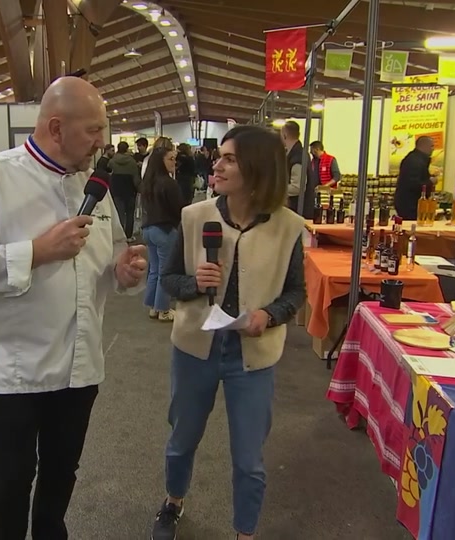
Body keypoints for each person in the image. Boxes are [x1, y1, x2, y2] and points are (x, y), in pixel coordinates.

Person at [0, 76, 148, 540]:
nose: (103, 141)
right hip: (16, 368)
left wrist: (124, 271)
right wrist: (36, 251)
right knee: (12, 479)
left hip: (79, 365)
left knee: (61, 473)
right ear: (56, 127)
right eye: (93, 130)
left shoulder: (97, 187)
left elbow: (108, 259)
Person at [149, 125, 306, 540]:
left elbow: (296, 292)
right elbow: (169, 279)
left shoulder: (288, 227)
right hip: (195, 345)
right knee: (182, 437)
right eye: (219, 156)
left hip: (252, 354)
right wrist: (194, 283)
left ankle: (245, 532)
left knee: (249, 457)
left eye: (229, 158)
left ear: (257, 168)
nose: (216, 165)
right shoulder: (194, 216)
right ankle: (173, 502)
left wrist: (269, 315)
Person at [140, 145, 184, 322]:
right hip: (165, 230)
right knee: (165, 272)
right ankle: (163, 309)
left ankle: (153, 306)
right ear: (161, 162)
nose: (174, 162)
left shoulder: (147, 182)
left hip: (148, 229)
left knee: (155, 271)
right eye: (171, 159)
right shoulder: (169, 183)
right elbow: (179, 208)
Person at [394, 136, 435, 220]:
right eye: (432, 146)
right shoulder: (414, 161)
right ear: (424, 146)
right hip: (410, 205)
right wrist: (430, 182)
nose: (433, 149)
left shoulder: (415, 159)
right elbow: (413, 184)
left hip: (410, 203)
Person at [109, 141, 141, 240]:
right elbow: (135, 178)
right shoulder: (132, 162)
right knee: (130, 214)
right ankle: (128, 235)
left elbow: (109, 173)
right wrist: (139, 188)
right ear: (127, 149)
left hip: (117, 191)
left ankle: (120, 235)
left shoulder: (112, 161)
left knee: (119, 213)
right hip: (130, 191)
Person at [281, 122, 304, 213]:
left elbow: (297, 187)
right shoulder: (293, 154)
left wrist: (276, 190)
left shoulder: (297, 157)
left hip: (297, 209)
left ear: (284, 135)